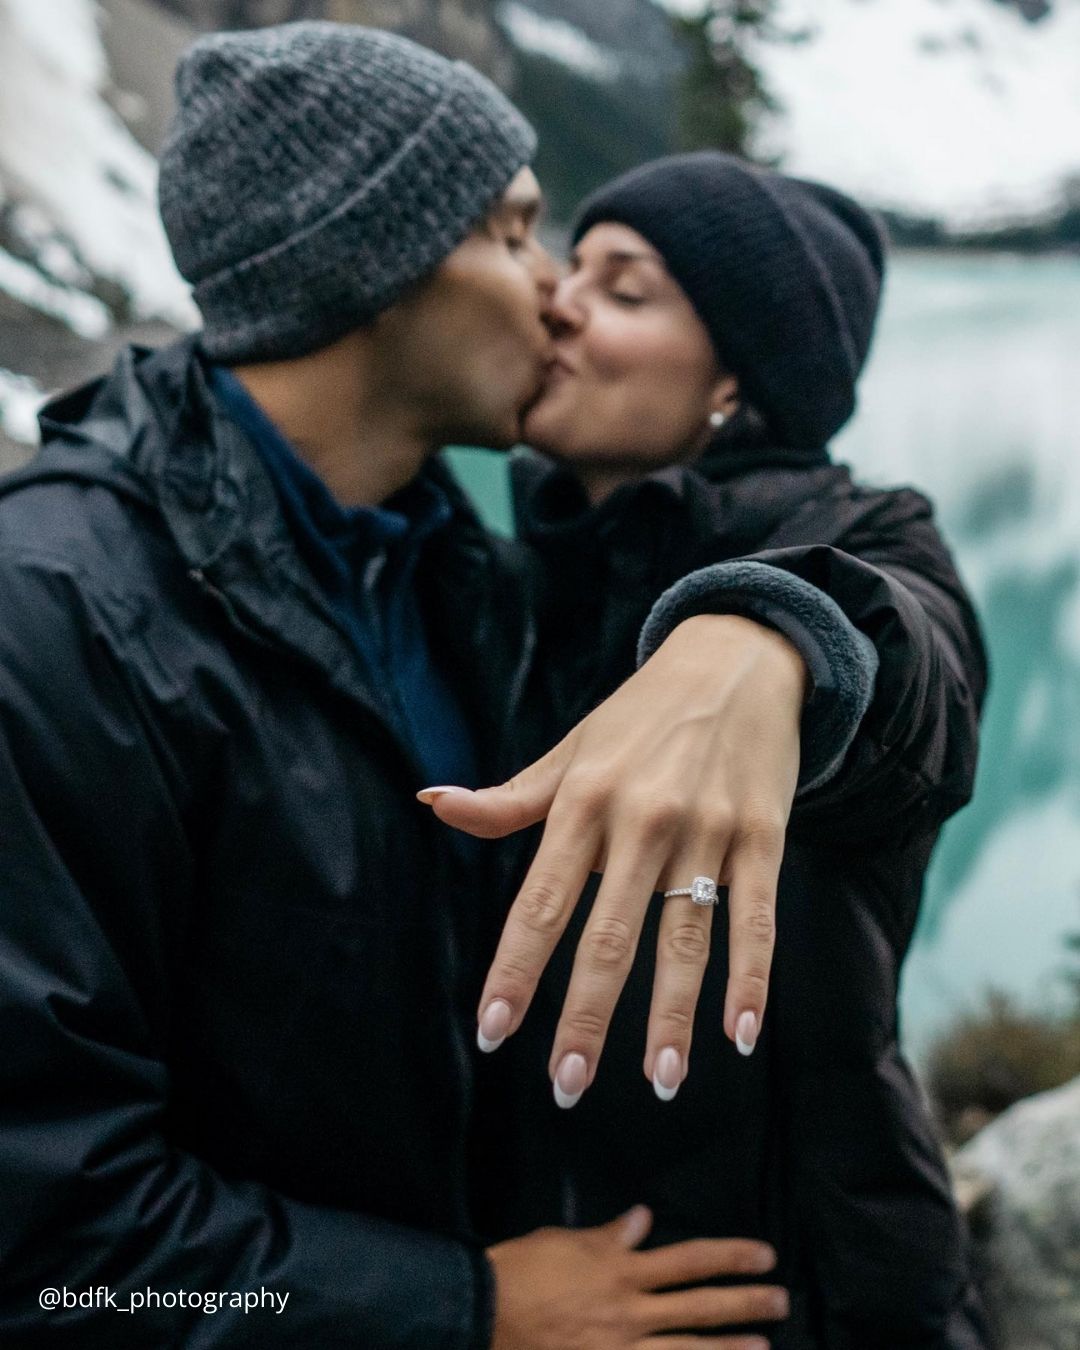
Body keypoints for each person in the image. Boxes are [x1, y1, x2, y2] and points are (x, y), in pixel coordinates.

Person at [0, 26, 823, 1349]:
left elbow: (887, 583)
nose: (556, 292)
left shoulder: (460, 573)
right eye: (511, 234)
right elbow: (51, 1258)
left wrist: (765, 636)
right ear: (370, 264)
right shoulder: (51, 618)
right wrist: (469, 1306)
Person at [429, 154, 992, 1348]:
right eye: (571, 266)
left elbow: (914, 675)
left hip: (800, 1296)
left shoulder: (872, 539)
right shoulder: (514, 577)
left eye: (625, 291)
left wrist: (772, 637)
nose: (561, 303)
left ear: (737, 377)